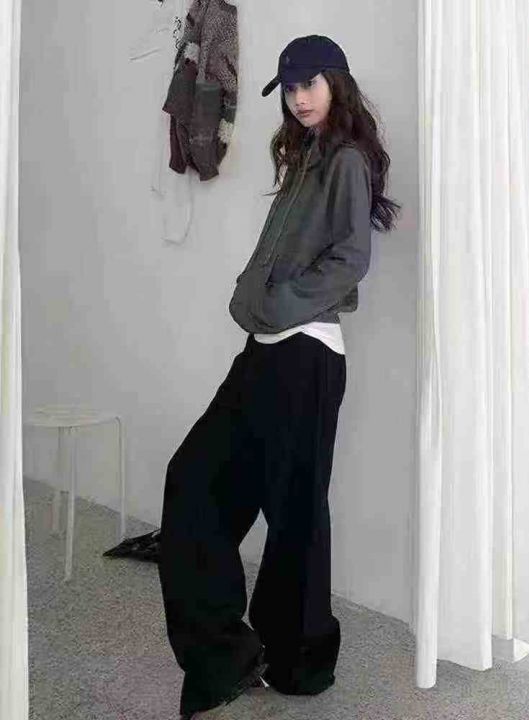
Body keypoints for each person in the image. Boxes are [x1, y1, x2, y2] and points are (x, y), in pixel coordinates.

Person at [158, 34, 401, 719]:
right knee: (194, 481)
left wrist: (279, 303)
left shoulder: (345, 160)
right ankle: (225, 656)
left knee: (295, 514)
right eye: (289, 88)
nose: (297, 97)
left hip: (308, 355)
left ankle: (300, 662)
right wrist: (252, 297)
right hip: (266, 353)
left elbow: (350, 260)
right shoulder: (303, 157)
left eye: (308, 84)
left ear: (335, 83)